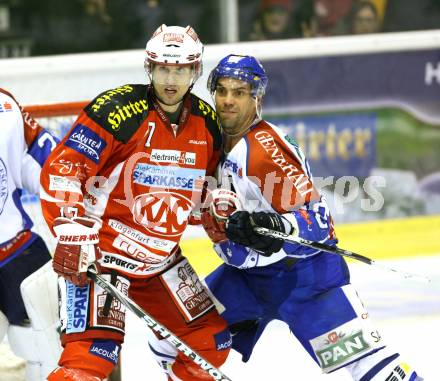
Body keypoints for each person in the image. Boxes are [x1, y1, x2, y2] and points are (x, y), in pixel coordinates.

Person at [149, 55, 423, 380]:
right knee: (168, 336)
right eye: (221, 91)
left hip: (305, 279)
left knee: (367, 364)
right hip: (245, 280)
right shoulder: (210, 141)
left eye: (239, 92)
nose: (227, 101)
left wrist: (276, 227)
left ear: (256, 97)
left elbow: (319, 220)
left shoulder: (265, 151)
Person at [40, 24, 231, 381]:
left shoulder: (207, 123)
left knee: (212, 342)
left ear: (195, 71)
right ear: (150, 68)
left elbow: (203, 191)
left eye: (180, 70)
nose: (170, 80)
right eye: (162, 69)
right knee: (90, 361)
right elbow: (64, 170)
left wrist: (216, 208)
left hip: (158, 263)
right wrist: (69, 230)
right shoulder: (117, 110)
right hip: (102, 258)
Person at [0, 88, 61, 380]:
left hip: (19, 254)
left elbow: (45, 165)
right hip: (18, 255)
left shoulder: (5, 106)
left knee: (52, 353)